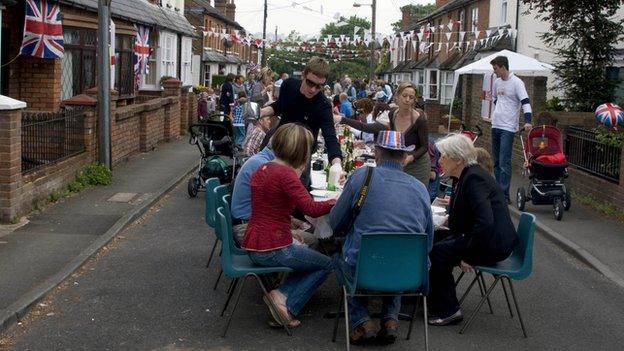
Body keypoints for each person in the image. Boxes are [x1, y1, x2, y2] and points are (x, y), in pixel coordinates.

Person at [330, 130, 434, 345]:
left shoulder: (361, 177)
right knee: (398, 252)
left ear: (376, 152)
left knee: (337, 257)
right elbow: (428, 241)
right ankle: (390, 319)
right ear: (404, 157)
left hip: (363, 267)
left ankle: (362, 320)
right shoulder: (420, 188)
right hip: (409, 273)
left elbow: (336, 223)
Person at [243, 124, 336, 328]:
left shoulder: (263, 168)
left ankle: (281, 294)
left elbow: (270, 207)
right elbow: (311, 208)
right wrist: (336, 200)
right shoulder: (286, 175)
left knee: (309, 250)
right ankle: (287, 303)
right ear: (301, 150)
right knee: (327, 264)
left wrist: (290, 230)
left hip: (255, 241)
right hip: (273, 247)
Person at [428, 133, 519, 326]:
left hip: (493, 243)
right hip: (482, 237)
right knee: (433, 240)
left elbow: (485, 222)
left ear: (458, 159)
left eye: (443, 156)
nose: (440, 160)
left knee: (438, 253)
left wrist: (469, 256)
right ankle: (433, 300)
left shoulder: (474, 178)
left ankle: (449, 310)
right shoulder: (464, 175)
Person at [260, 56, 343, 179]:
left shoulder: (323, 105)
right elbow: (279, 106)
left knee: (296, 193)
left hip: (301, 157)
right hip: (279, 146)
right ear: (303, 75)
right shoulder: (289, 85)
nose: (313, 89)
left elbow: (330, 137)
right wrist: (259, 112)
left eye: (319, 86)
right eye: (310, 82)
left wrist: (337, 165)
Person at [335, 81, 430, 186]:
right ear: (397, 96)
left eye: (411, 97)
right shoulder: (392, 114)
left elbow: (425, 147)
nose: (407, 100)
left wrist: (410, 158)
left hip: (417, 164)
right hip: (401, 161)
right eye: (404, 95)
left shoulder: (420, 119)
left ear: (414, 100)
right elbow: (375, 131)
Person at [490, 55, 533, 203]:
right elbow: (495, 99)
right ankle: (498, 191)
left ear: (502, 67)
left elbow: (526, 102)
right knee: (496, 161)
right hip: (495, 125)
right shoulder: (496, 83)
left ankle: (505, 195)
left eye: (495, 69)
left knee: (504, 162)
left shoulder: (517, 83)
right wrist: (499, 112)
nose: (494, 72)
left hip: (508, 127)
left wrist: (528, 121)